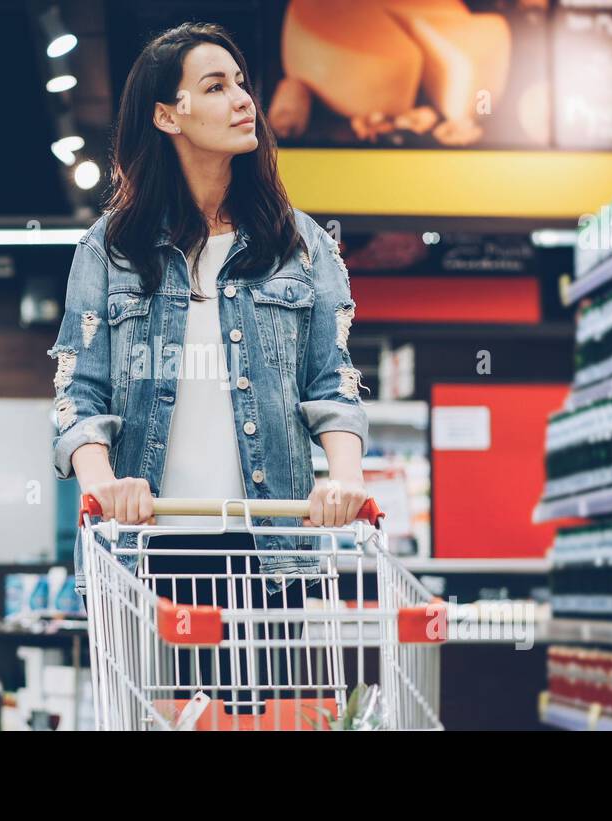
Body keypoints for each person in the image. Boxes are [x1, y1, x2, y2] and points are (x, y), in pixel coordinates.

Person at [48, 21, 369, 709]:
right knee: (161, 721)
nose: (243, 99)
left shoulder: (300, 243)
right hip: (148, 551)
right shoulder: (110, 248)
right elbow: (80, 388)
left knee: (256, 724)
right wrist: (104, 483)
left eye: (242, 83)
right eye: (215, 86)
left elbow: (330, 380)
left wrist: (343, 479)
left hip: (269, 553)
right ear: (168, 114)